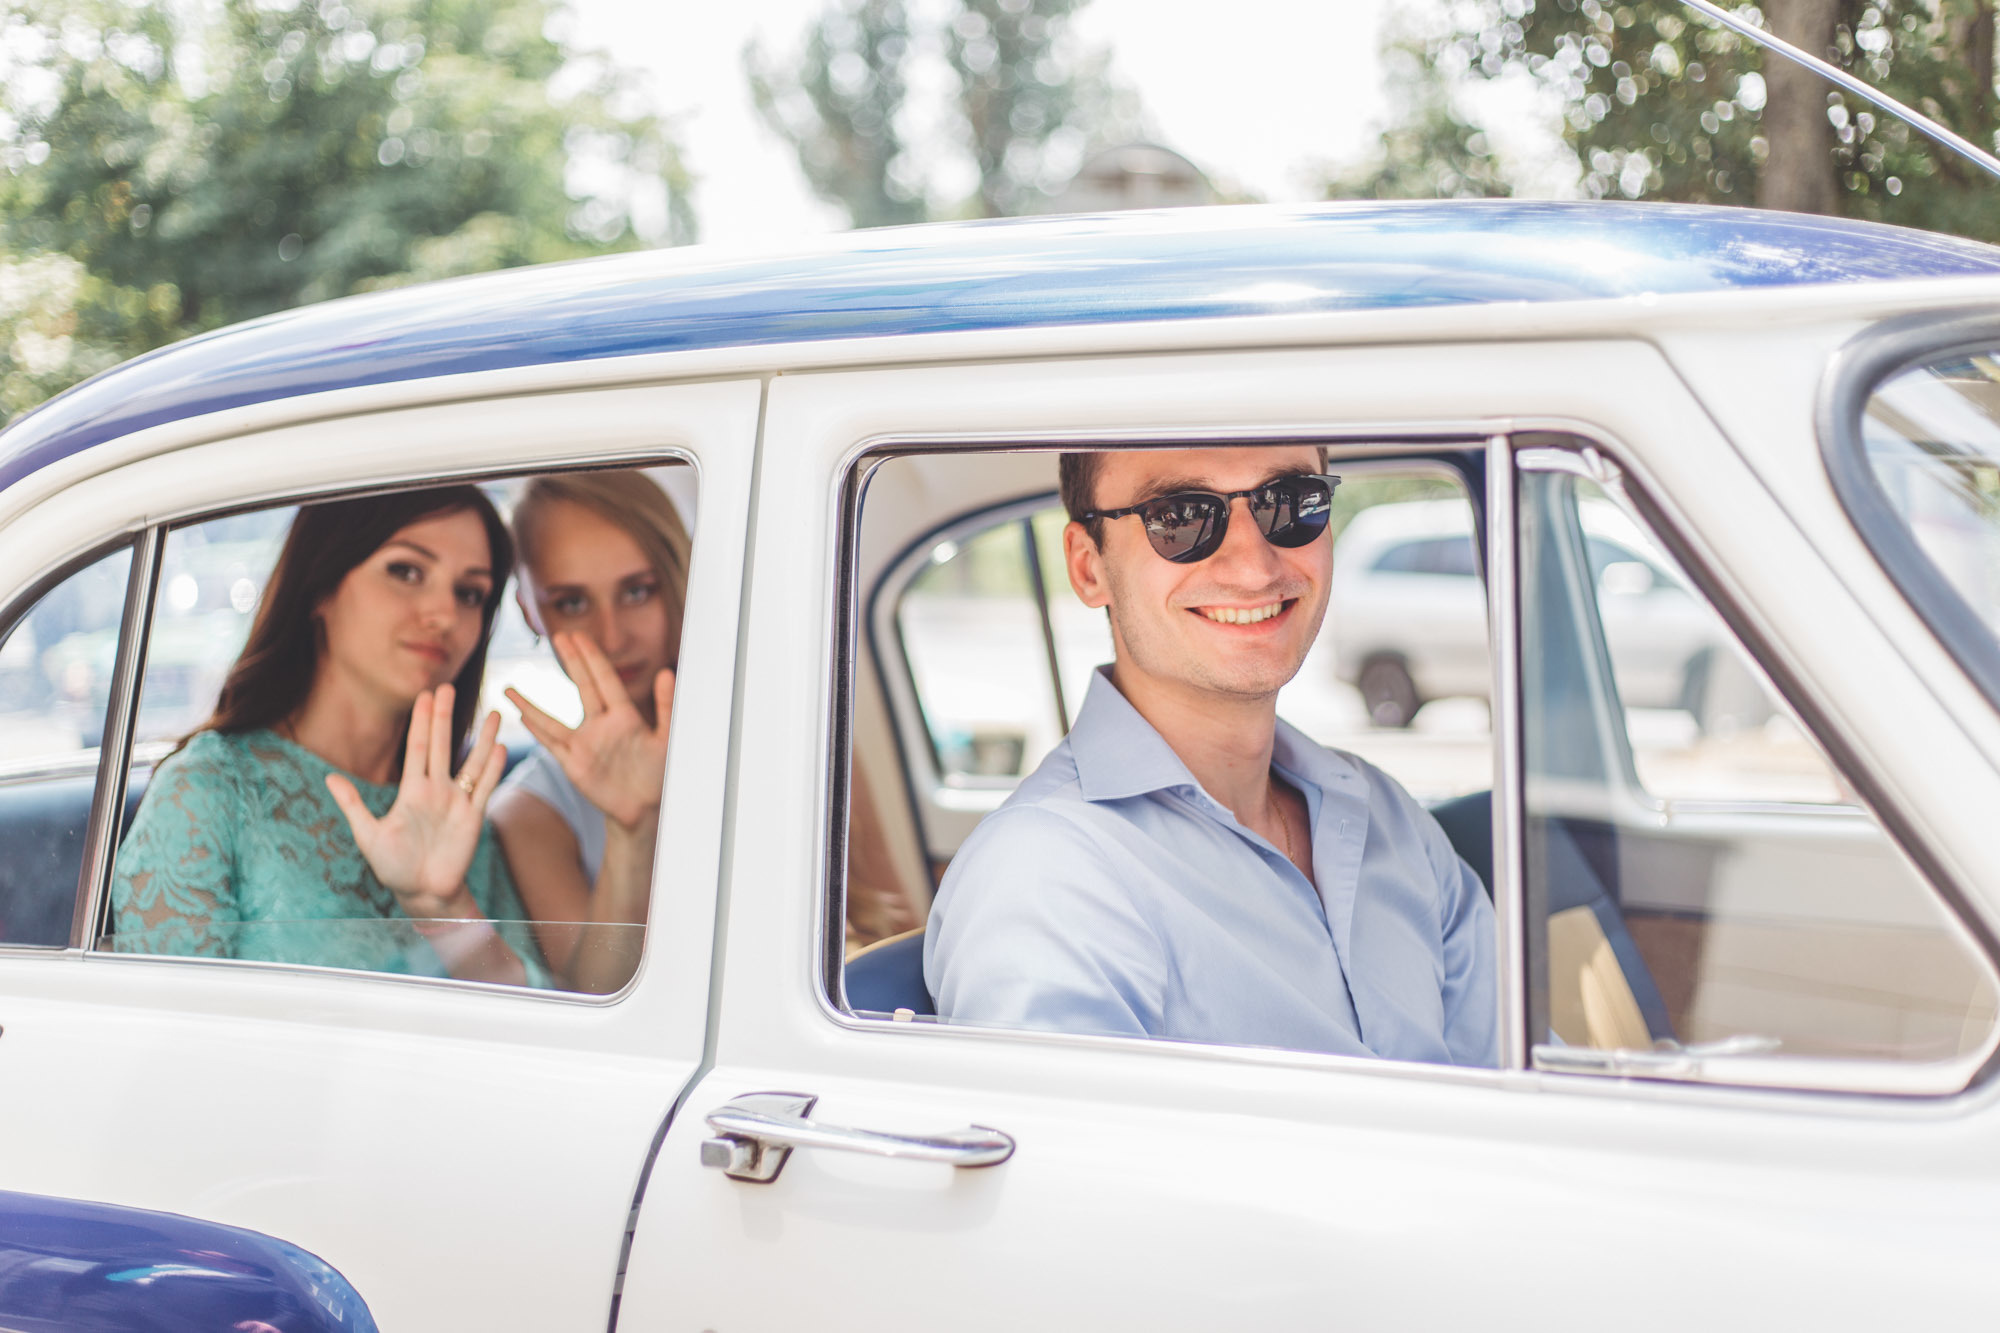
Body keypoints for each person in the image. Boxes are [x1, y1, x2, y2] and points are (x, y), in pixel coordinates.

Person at [923, 446, 1496, 1065]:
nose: (1254, 567)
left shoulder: (1385, 813)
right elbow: (1072, 1160)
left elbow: (1524, 1099)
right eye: (1180, 516)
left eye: (1290, 503)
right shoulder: (1047, 878)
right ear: (1089, 569)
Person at [113, 488, 547, 987]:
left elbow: (546, 1034)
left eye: (469, 593)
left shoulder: (457, 816)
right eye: (406, 571)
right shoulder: (208, 795)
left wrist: (444, 909)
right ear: (321, 584)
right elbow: (168, 1044)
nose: (444, 615)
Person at [491, 471, 689, 995]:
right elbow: (597, 994)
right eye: (572, 604)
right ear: (529, 611)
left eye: (637, 591)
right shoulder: (529, 813)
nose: (612, 636)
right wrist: (631, 831)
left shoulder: (794, 732)